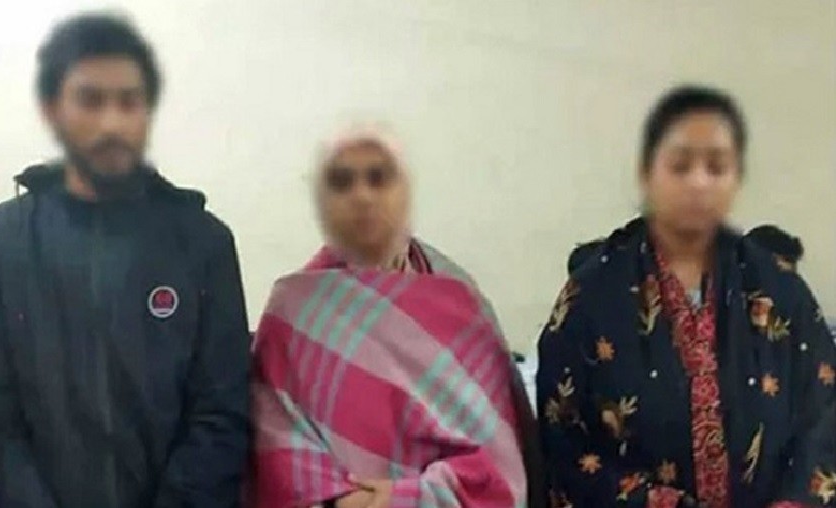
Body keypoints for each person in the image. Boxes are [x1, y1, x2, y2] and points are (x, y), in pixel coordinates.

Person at [0, 13, 250, 507]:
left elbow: (221, 415)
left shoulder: (203, 243)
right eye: (90, 100)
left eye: (129, 101)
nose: (112, 122)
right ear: (53, 110)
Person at [536, 86, 835, 508]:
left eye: (716, 167)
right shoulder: (591, 299)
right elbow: (563, 442)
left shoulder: (781, 291)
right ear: (647, 175)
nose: (698, 183)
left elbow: (823, 420)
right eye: (679, 166)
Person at [250, 127, 537, 508]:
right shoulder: (293, 314)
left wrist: (406, 499)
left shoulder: (462, 306)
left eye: (378, 178)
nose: (362, 197)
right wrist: (343, 500)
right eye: (342, 182)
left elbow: (500, 467)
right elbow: (278, 457)